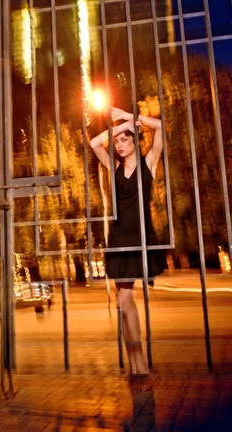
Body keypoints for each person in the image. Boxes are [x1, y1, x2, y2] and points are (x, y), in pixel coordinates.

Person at [90, 106, 164, 376]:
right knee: (123, 300)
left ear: (135, 140)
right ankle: (135, 363)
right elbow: (95, 142)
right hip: (120, 239)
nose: (119, 144)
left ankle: (139, 363)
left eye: (125, 139)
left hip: (141, 237)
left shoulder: (149, 163)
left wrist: (129, 118)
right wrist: (122, 126)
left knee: (124, 300)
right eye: (117, 140)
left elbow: (159, 127)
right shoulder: (114, 166)